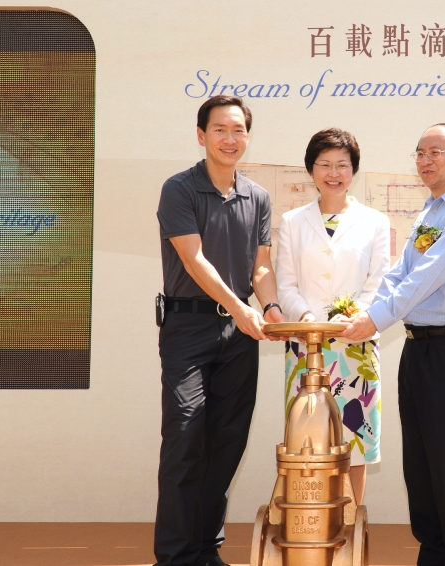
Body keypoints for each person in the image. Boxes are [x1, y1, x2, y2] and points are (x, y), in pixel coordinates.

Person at [341, 123, 445, 566]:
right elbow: (400, 272)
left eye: (436, 152)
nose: (425, 160)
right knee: (424, 462)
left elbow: (429, 275)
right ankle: (435, 554)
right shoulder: (430, 211)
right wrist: (367, 314)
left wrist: (374, 320)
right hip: (420, 350)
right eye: (419, 153)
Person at [155, 95, 285, 566]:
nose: (230, 139)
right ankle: (173, 556)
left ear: (247, 137)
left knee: (228, 441)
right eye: (220, 130)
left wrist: (269, 307)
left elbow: (261, 268)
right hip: (188, 328)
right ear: (201, 135)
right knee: (186, 437)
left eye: (238, 130)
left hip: (239, 336)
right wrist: (239, 308)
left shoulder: (259, 197)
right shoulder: (180, 189)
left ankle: (204, 551)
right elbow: (193, 259)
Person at [276, 128, 390, 503]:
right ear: (311, 169)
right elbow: (286, 285)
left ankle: (351, 525)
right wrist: (306, 317)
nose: (333, 172)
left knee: (355, 440)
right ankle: (310, 522)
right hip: (306, 347)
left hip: (356, 345)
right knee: (308, 439)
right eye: (324, 164)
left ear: (353, 170)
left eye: (342, 164)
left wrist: (355, 316)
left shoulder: (375, 222)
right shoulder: (292, 222)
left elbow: (379, 284)